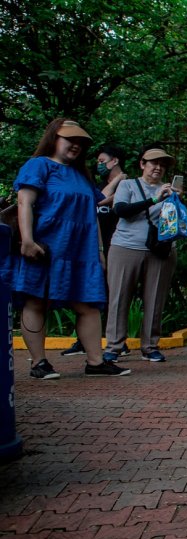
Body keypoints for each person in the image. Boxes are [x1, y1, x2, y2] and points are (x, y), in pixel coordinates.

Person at [3, 118, 131, 379]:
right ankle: (39, 363)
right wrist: (27, 240)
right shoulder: (39, 165)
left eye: (80, 143)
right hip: (47, 246)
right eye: (69, 140)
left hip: (80, 251)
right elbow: (24, 202)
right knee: (36, 301)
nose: (75, 146)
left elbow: (94, 209)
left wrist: (99, 251)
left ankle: (96, 362)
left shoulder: (80, 174)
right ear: (54, 138)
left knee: (88, 304)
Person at [104, 147, 180, 363]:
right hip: (126, 247)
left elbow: (174, 224)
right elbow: (121, 211)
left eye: (162, 165)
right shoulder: (128, 185)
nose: (158, 167)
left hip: (160, 250)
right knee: (119, 297)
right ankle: (114, 346)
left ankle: (150, 346)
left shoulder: (168, 191)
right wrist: (154, 200)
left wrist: (175, 202)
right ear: (142, 164)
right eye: (153, 162)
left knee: (155, 298)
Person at [61, 144, 130, 358]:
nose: (98, 165)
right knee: (88, 292)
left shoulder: (129, 185)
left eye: (102, 161)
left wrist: (120, 182)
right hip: (93, 247)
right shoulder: (100, 184)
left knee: (114, 295)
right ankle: (82, 340)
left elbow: (100, 200)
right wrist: (116, 180)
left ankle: (117, 341)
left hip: (118, 246)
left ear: (115, 160)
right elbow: (97, 199)